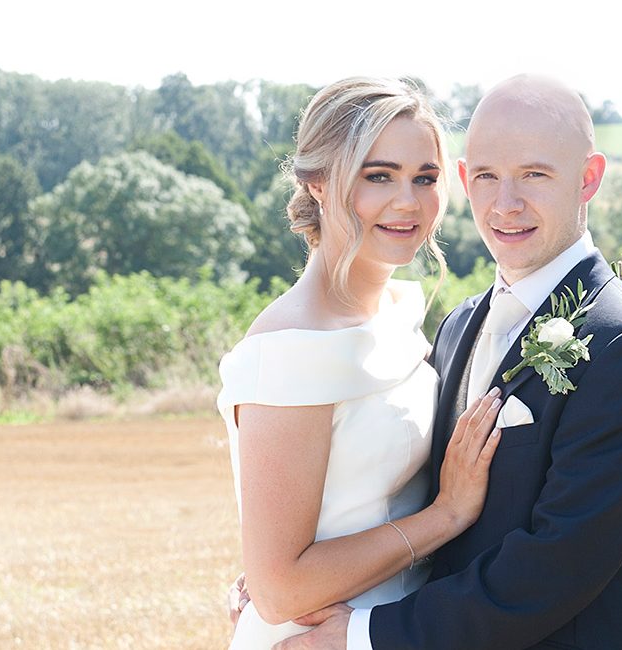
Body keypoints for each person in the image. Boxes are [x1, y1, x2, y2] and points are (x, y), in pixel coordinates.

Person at [273, 74, 622, 650]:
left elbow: (555, 569)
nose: (506, 204)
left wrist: (365, 634)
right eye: (488, 176)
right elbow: (418, 504)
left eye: (535, 175)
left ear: (588, 178)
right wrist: (296, 582)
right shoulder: (456, 327)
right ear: (465, 179)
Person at [215, 77, 504, 650]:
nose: (408, 202)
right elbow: (280, 590)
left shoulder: (398, 312)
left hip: (394, 629)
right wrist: (446, 515)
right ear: (318, 182)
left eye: (425, 178)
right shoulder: (291, 347)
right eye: (378, 176)